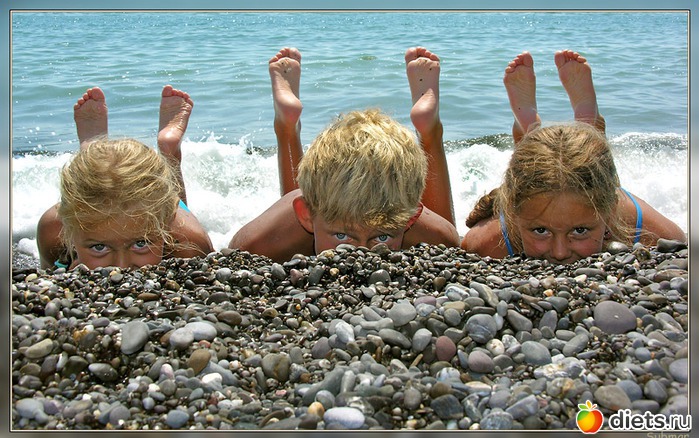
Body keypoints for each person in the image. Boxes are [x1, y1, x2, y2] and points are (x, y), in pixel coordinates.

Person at [229, 47, 459, 263]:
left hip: (354, 209)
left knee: (444, 247)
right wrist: (384, 235)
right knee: (444, 239)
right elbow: (237, 250)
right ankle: (286, 128)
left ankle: (431, 131)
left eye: (382, 238)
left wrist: (340, 233)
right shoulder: (259, 243)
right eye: (341, 237)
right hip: (318, 210)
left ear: (411, 218)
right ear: (304, 214)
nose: (361, 254)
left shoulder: (407, 218)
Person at [461, 50, 686, 264]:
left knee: (597, 171)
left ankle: (565, 125)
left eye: (580, 230)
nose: (560, 252)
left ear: (610, 214)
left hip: (606, 203)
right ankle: (570, 124)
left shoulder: (651, 233)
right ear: (512, 213)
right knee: (555, 166)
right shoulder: (488, 243)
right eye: (541, 230)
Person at [36, 85, 213, 270]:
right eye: (99, 247)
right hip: (86, 206)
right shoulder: (52, 230)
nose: (122, 266)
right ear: (68, 230)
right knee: (94, 181)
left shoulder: (190, 244)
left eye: (141, 243)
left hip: (166, 219)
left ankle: (170, 154)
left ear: (166, 223)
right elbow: (46, 276)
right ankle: (93, 151)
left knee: (170, 199)